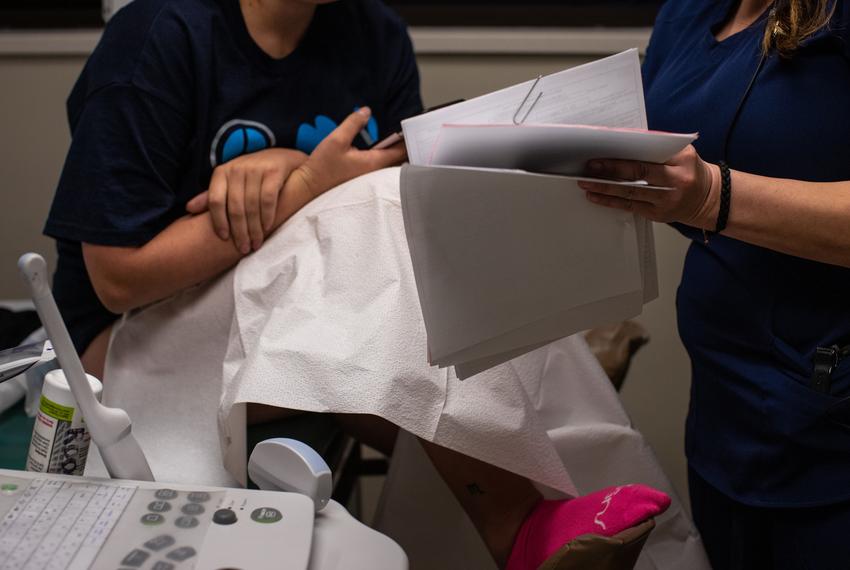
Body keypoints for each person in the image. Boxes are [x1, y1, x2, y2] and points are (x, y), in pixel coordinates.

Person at [43, 1, 670, 568]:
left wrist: (289, 169)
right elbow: (118, 279)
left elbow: (409, 201)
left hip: (299, 318)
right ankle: (520, 519)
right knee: (385, 230)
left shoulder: (374, 34)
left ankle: (556, 464)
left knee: (420, 290)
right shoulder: (158, 35)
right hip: (125, 348)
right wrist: (308, 187)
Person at [578, 0, 850, 567]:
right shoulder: (691, 11)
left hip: (827, 428)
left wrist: (712, 197)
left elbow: (704, 187)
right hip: (726, 409)